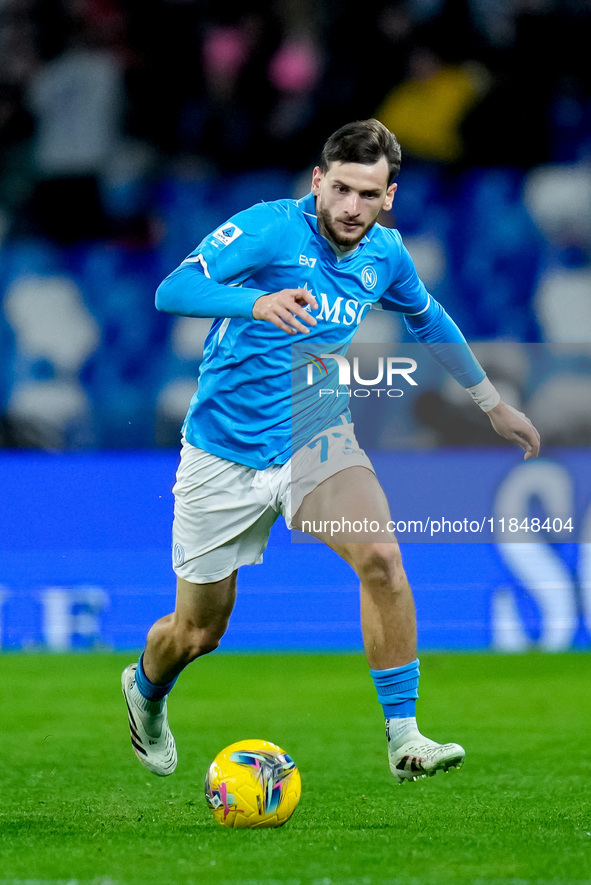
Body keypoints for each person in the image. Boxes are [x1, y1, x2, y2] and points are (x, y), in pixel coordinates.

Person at [122, 119, 540, 784]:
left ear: (388, 198)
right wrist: (255, 302)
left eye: (366, 195)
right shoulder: (269, 228)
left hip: (314, 436)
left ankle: (405, 738)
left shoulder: (386, 255)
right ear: (318, 181)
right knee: (197, 632)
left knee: (380, 555)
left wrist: (492, 403)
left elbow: (427, 317)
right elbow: (170, 289)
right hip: (222, 451)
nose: (350, 207)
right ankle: (145, 690)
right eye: (340, 188)